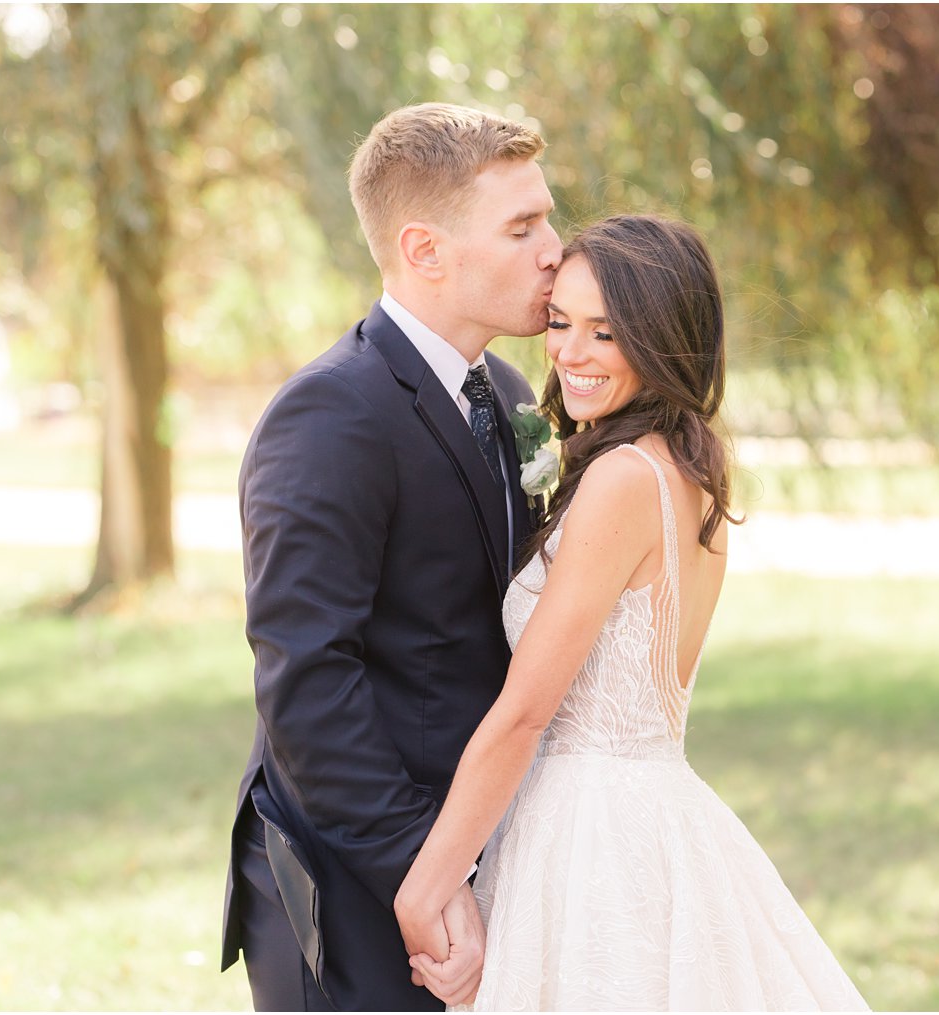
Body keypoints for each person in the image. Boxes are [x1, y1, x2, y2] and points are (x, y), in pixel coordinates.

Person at [392, 215, 871, 1011]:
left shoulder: (622, 479)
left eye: (605, 334)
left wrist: (424, 890)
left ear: (662, 340)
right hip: (651, 815)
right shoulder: (686, 466)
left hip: (594, 839)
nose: (570, 353)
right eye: (559, 322)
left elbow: (524, 713)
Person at [219, 103, 561, 1011]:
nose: (554, 250)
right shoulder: (330, 414)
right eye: (522, 227)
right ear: (424, 250)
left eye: (549, 219)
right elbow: (306, 680)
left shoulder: (514, 393)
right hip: (360, 888)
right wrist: (429, 875)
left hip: (481, 851)